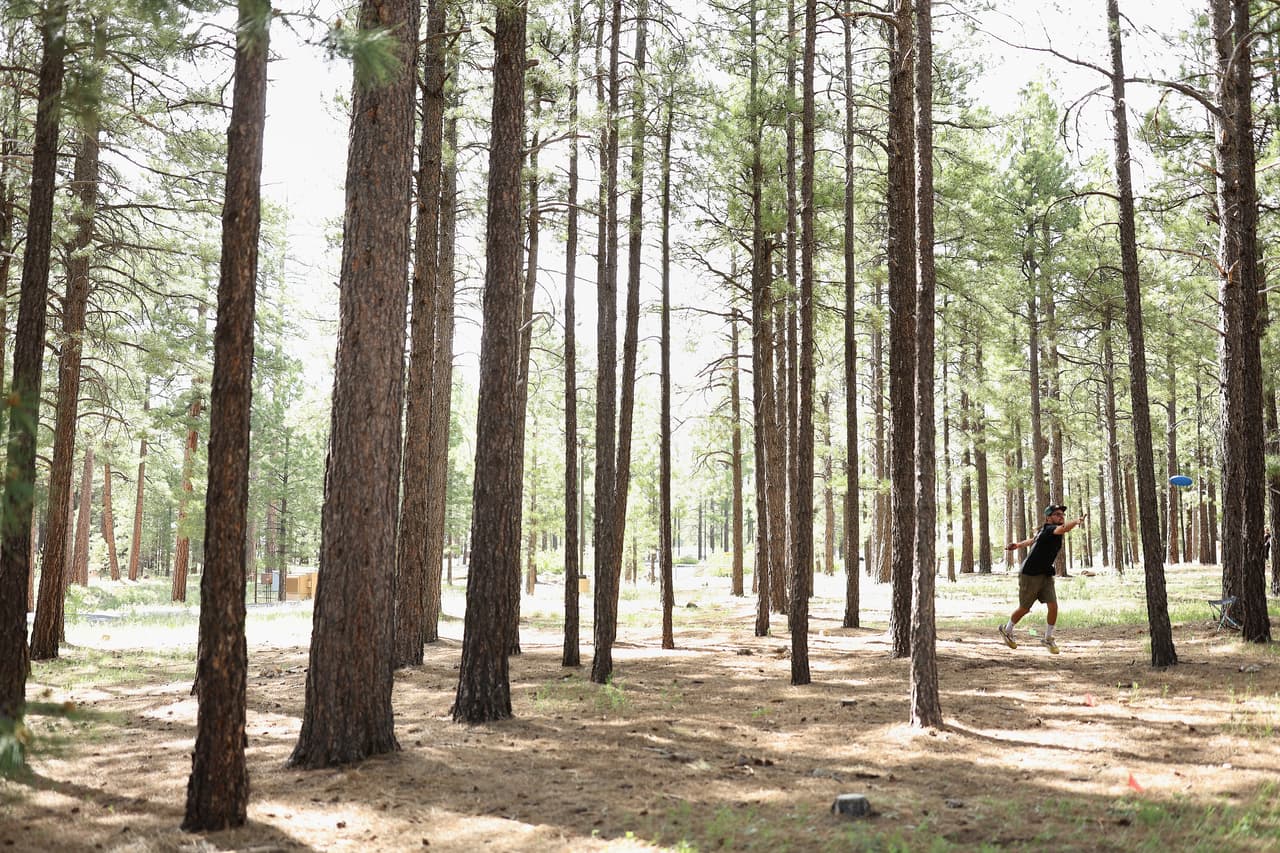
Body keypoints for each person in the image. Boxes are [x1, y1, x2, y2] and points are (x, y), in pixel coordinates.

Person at [997, 503, 1086, 654]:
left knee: (1053, 605)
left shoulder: (1044, 531)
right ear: (1049, 518)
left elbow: (1033, 540)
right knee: (1025, 608)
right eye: (1057, 514)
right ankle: (1007, 630)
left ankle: (1048, 637)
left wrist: (1017, 545)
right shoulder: (1051, 529)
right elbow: (1063, 528)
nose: (1061, 517)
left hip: (1045, 573)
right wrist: (1076, 522)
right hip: (1030, 574)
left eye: (1062, 515)